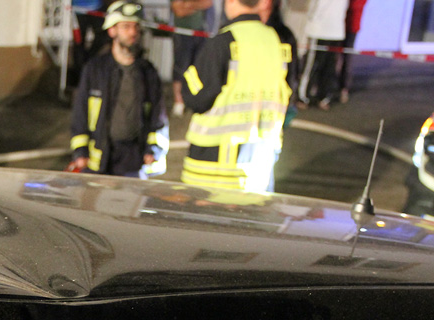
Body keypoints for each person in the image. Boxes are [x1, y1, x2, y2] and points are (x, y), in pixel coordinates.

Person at [180, 0, 291, 191]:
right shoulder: (278, 41)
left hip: (216, 168)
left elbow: (196, 98)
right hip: (261, 163)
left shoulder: (223, 42)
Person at [69, 1, 169, 178]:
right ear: (112, 30)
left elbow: (157, 116)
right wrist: (81, 151)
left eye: (136, 27)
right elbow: (80, 112)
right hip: (100, 160)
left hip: (134, 161)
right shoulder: (95, 69)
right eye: (126, 26)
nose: (133, 32)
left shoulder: (148, 72)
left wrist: (153, 150)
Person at [297, 0, 349, 110]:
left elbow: (314, 7)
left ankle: (307, 97)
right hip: (333, 30)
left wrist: (312, 18)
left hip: (321, 29)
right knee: (325, 66)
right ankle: (320, 97)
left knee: (316, 65)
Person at [170, 0, 214, 117]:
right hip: (182, 33)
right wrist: (196, 6)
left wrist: (188, 5)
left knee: (199, 69)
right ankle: (179, 102)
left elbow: (207, 3)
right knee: (180, 68)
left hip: (199, 33)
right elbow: (178, 10)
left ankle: (195, 99)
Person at [339, 0, 367, 104]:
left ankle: (344, 88)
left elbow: (356, 6)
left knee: (347, 58)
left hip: (351, 26)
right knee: (332, 57)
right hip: (338, 24)